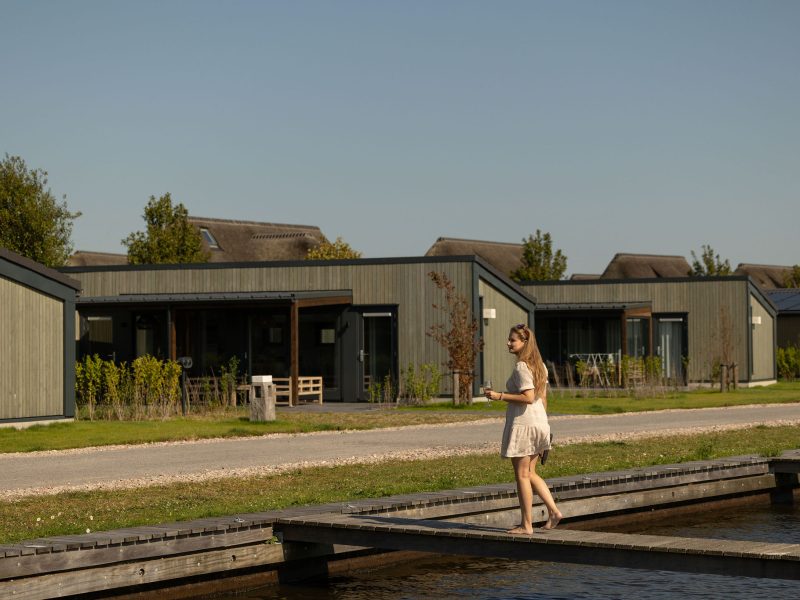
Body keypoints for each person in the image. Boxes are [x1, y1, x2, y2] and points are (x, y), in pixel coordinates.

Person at [485, 323, 562, 535]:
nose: (508, 343)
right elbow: (542, 398)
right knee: (530, 472)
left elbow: (528, 397)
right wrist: (544, 426)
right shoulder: (540, 366)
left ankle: (526, 525)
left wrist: (499, 395)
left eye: (512, 340)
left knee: (522, 475)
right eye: (509, 339)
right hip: (539, 423)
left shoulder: (521, 367)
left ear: (524, 343)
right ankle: (554, 512)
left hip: (524, 424)